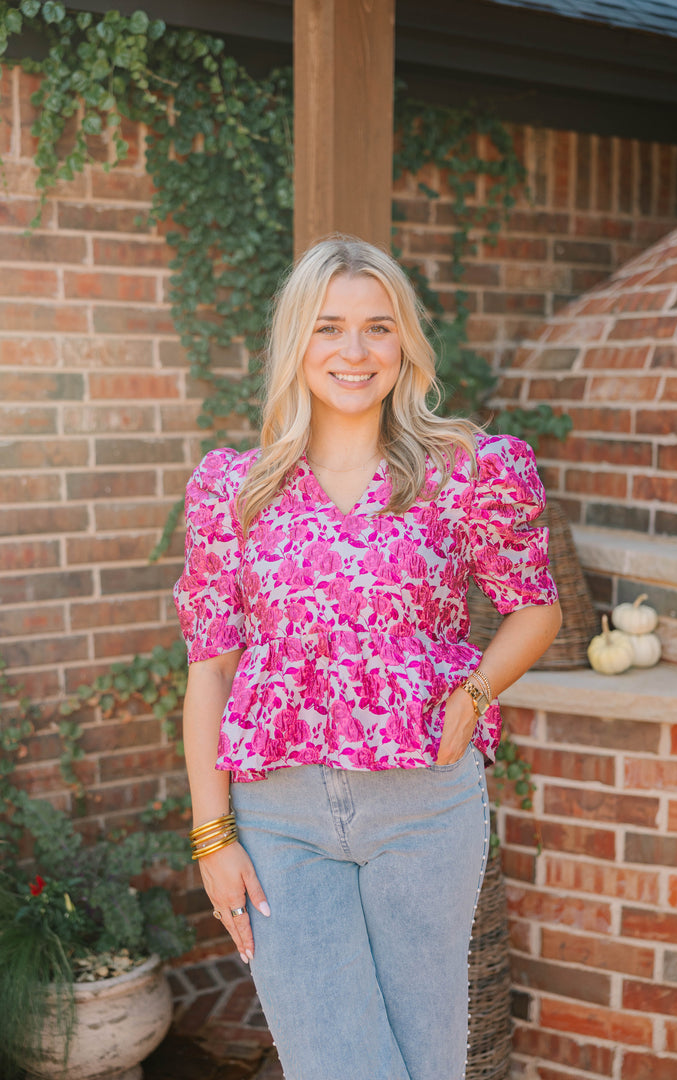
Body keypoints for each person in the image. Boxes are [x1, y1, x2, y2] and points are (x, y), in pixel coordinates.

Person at [173, 237, 562, 1080]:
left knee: (428, 1061)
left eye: (377, 328)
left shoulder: (464, 474)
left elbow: (535, 607)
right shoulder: (236, 491)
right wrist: (213, 838)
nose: (354, 352)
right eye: (329, 328)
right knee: (335, 1064)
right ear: (295, 345)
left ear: (404, 346)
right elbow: (209, 667)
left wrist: (476, 689)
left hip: (425, 806)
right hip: (279, 818)